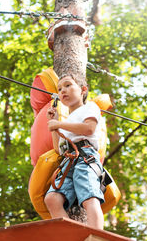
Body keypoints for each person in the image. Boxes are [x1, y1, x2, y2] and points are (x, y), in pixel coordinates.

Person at [44, 73, 105, 229]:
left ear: (83, 90)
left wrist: (59, 124)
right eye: (59, 89)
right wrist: (55, 123)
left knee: (89, 197)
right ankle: (70, 237)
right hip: (68, 160)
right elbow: (58, 149)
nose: (63, 90)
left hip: (85, 156)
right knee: (52, 198)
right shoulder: (67, 120)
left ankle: (96, 238)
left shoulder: (89, 107)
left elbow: (89, 129)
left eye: (68, 85)